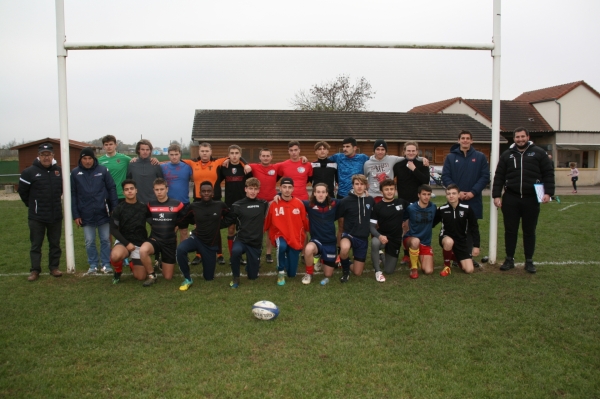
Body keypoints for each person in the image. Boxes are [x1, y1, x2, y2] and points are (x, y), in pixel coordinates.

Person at [492, 127, 555, 274]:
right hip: (511, 198)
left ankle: (529, 261)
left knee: (529, 231)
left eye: (522, 136)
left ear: (528, 136)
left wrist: (549, 193)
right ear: (513, 138)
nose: (520, 139)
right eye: (517, 137)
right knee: (510, 230)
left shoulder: (539, 153)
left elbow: (548, 174)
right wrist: (496, 195)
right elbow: (499, 176)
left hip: (531, 198)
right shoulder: (507, 155)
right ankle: (509, 259)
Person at [182, 142, 250, 265]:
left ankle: (219, 254)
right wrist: (156, 161)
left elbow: (235, 157)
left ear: (211, 152)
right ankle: (199, 254)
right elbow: (175, 160)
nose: (204, 153)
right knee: (198, 227)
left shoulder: (218, 162)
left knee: (216, 226)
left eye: (207, 151)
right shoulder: (193, 163)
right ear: (199, 152)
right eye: (202, 151)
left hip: (215, 199)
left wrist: (245, 164)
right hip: (198, 200)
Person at [176, 181, 235, 291]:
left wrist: (219, 225)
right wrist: (178, 224)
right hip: (196, 239)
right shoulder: (194, 206)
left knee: (209, 278)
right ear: (200, 193)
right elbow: (184, 218)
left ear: (213, 192)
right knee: (180, 249)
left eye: (209, 191)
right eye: (204, 191)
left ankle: (206, 262)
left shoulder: (220, 205)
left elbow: (231, 216)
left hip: (210, 245)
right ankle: (187, 278)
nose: (206, 193)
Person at [18, 142, 64, 281]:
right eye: (43, 155)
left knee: (55, 244)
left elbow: (62, 190)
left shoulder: (59, 171)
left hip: (55, 215)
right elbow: (23, 193)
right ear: (38, 156)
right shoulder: (29, 172)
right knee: (36, 244)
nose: (46, 157)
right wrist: (33, 205)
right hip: (36, 217)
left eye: (48, 155)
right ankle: (35, 270)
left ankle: (54, 267)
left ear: (53, 156)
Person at [70, 147, 118, 275]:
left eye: (90, 158)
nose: (87, 161)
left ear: (94, 159)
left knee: (105, 240)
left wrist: (114, 208)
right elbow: (73, 195)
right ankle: (92, 264)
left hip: (103, 212)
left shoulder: (102, 170)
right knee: (89, 241)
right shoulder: (75, 173)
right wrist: (76, 214)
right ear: (81, 159)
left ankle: (106, 264)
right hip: (86, 213)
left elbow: (112, 188)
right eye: (85, 158)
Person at [139, 178, 187, 287]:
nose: (159, 192)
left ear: (167, 189)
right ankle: (152, 276)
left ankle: (161, 260)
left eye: (161, 189)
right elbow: (148, 218)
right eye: (157, 190)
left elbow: (184, 219)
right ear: (154, 190)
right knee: (143, 250)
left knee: (168, 277)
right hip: (155, 239)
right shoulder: (150, 204)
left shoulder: (177, 204)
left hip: (169, 242)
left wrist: (177, 225)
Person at [264, 177, 309, 286]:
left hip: (294, 238)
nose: (287, 190)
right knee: (282, 246)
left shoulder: (299, 204)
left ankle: (284, 259)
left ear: (293, 189)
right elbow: (267, 222)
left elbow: (305, 223)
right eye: (284, 187)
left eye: (289, 187)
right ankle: (280, 272)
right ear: (280, 188)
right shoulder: (274, 204)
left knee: (292, 274)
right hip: (279, 235)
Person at [229, 178, 269, 288]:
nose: (253, 191)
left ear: (258, 191)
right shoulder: (237, 205)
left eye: (255, 189)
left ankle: (251, 266)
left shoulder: (263, 204)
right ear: (245, 189)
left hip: (255, 242)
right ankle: (236, 277)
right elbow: (229, 222)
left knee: (253, 277)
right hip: (241, 239)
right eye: (250, 189)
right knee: (235, 251)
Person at [433, 184, 480, 277]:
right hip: (446, 238)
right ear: (446, 196)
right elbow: (431, 224)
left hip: (461, 241)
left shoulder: (467, 209)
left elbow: (474, 227)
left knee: (469, 270)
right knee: (449, 242)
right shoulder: (442, 210)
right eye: (448, 194)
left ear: (459, 195)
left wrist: (476, 246)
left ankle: (455, 257)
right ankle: (447, 267)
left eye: (454, 193)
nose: (451, 196)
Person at [441, 130, 490, 220]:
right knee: (454, 228)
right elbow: (445, 176)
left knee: (472, 230)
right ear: (458, 140)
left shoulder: (480, 157)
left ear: (472, 141)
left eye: (468, 138)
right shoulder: (450, 157)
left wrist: (473, 192)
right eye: (463, 138)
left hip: (474, 199)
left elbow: (485, 177)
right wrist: (457, 193)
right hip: (455, 199)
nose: (465, 140)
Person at [109, 179, 150, 284]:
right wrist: (127, 243)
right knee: (115, 256)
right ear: (123, 193)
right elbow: (113, 229)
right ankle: (118, 271)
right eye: (126, 190)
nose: (129, 191)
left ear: (136, 190)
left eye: (132, 188)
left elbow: (153, 223)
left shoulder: (143, 207)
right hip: (124, 242)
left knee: (141, 277)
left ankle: (133, 264)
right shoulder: (119, 208)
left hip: (139, 244)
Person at [335, 174, 375, 282]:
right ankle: (345, 272)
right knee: (344, 249)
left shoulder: (370, 200)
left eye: (362, 184)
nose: (359, 186)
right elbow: (338, 216)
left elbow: (374, 217)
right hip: (349, 235)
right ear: (352, 185)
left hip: (362, 238)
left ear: (366, 186)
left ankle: (346, 262)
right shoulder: (345, 201)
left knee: (358, 272)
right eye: (357, 184)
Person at [370, 179, 410, 280]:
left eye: (392, 189)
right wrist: (379, 236)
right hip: (383, 237)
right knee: (375, 242)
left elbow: (415, 209)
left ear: (395, 190)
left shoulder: (401, 202)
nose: (389, 191)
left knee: (389, 271)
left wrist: (406, 221)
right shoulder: (377, 207)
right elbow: (371, 226)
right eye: (386, 189)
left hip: (395, 239)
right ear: (381, 192)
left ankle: (381, 255)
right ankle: (378, 271)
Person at [300, 183, 339, 285]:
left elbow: (349, 201)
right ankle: (309, 273)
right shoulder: (309, 204)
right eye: (318, 192)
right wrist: (278, 195)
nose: (320, 194)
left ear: (327, 193)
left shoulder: (334, 203)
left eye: (323, 192)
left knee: (328, 274)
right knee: (308, 249)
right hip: (316, 241)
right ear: (314, 193)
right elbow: (293, 201)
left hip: (330, 242)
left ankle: (320, 259)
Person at [218, 145, 252, 262]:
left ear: (240, 154)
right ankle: (233, 256)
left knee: (242, 230)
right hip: (229, 204)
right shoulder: (224, 167)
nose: (234, 155)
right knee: (231, 229)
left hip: (243, 204)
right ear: (228, 154)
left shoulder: (245, 168)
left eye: (236, 153)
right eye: (231, 153)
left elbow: (251, 184)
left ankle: (240, 255)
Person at [246, 148, 279, 264]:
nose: (265, 158)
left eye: (267, 156)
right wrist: (246, 165)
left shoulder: (276, 167)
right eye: (263, 156)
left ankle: (268, 253)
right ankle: (257, 251)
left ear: (271, 157)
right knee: (258, 229)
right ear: (259, 157)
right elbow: (241, 162)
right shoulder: (253, 166)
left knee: (270, 229)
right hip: (257, 202)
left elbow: (292, 162)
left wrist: (302, 158)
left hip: (271, 202)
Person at [161, 143, 193, 242]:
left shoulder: (188, 167)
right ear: (168, 155)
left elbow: (195, 179)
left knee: (184, 231)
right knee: (171, 232)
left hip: (184, 204)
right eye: (171, 154)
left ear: (180, 154)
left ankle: (182, 255)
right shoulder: (162, 167)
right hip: (168, 204)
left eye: (176, 154)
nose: (174, 157)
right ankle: (172, 255)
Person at [403, 185, 437, 279]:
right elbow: (403, 220)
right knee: (415, 241)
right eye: (424, 194)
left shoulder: (433, 207)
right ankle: (414, 268)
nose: (426, 197)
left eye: (428, 194)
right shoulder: (411, 208)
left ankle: (416, 257)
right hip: (411, 239)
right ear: (419, 195)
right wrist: (403, 233)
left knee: (428, 271)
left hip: (425, 242)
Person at [126, 139, 164, 204]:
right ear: (138, 150)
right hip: (136, 202)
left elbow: (161, 182)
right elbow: (128, 182)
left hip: (153, 201)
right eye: (143, 149)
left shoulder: (155, 164)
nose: (145, 152)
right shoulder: (132, 164)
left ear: (150, 151)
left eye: (147, 149)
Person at [98, 135, 131, 202]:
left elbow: (138, 162)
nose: (109, 146)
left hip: (122, 195)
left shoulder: (124, 159)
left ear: (116, 145)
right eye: (106, 145)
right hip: (107, 195)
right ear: (103, 146)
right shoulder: (99, 161)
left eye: (111, 144)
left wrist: (153, 160)